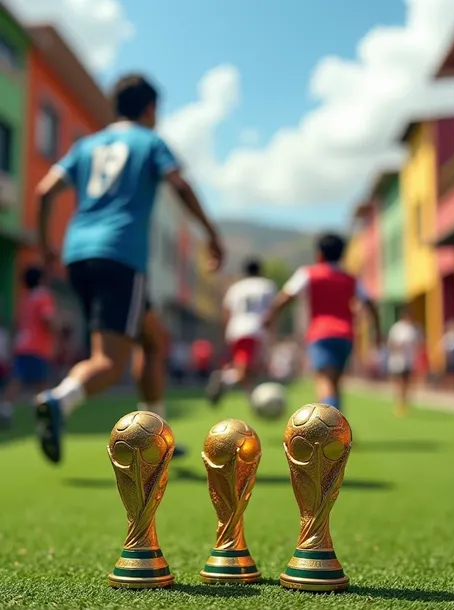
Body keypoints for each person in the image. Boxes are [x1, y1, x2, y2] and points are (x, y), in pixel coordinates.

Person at [34, 73, 223, 464]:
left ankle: (156, 439)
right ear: (151, 109)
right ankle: (59, 400)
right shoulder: (149, 141)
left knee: (153, 339)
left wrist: (44, 247)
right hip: (120, 255)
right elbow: (181, 186)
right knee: (109, 360)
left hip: (77, 252)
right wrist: (211, 234)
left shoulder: (86, 146)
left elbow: (44, 191)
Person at [264, 232, 380, 411]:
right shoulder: (351, 279)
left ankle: (328, 427)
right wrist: (377, 330)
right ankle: (338, 429)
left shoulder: (309, 274)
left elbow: (286, 296)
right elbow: (370, 303)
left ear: (319, 254)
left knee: (324, 380)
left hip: (321, 334)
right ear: (342, 254)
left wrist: (270, 316)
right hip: (346, 336)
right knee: (335, 382)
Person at [206, 259, 277, 404]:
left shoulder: (236, 288)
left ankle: (252, 400)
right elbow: (273, 310)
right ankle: (225, 379)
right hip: (255, 329)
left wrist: (226, 332)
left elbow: (226, 312)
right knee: (245, 369)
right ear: (260, 270)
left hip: (235, 329)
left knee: (249, 369)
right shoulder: (267, 286)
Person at [0, 267, 55, 428]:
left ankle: (5, 408)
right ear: (40, 279)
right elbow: (47, 319)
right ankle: (43, 415)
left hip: (22, 345)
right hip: (38, 347)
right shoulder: (43, 296)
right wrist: (56, 331)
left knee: (17, 379)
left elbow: (17, 324)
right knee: (41, 382)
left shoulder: (25, 299)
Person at [387, 307, 422, 416]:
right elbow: (391, 343)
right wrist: (398, 347)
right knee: (399, 382)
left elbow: (419, 343)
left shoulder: (414, 329)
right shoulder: (397, 328)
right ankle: (399, 403)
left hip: (409, 360)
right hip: (398, 360)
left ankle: (404, 403)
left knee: (407, 383)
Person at [441, 319, 454, 389]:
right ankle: (449, 387)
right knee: (449, 373)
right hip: (449, 357)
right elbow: (443, 347)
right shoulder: (447, 336)